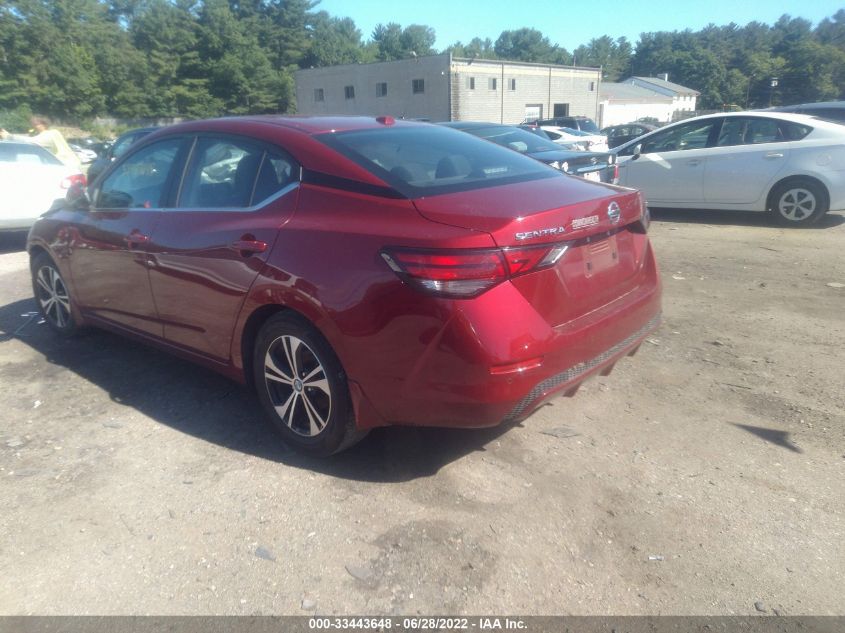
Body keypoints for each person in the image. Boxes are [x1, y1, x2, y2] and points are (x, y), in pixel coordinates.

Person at [0, 116, 81, 169]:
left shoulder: (51, 133)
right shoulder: (45, 134)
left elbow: (32, 141)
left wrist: (10, 136)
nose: (34, 126)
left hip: (67, 164)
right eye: (33, 124)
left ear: (43, 124)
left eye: (36, 124)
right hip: (61, 164)